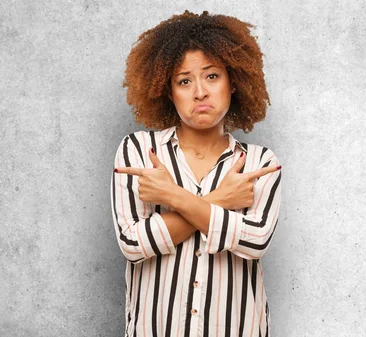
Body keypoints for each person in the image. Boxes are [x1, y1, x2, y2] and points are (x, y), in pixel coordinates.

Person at [110, 10, 282, 337]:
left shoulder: (260, 163)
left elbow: (255, 240)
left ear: (233, 83)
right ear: (168, 90)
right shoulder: (139, 152)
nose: (199, 92)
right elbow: (133, 243)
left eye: (212, 76)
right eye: (184, 81)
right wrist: (220, 201)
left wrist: (172, 197)